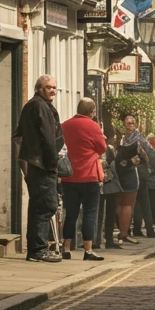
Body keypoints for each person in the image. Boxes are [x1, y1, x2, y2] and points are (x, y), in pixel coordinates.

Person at [13, 75, 65, 263]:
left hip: (35, 162)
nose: (52, 90)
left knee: (38, 206)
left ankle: (35, 250)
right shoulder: (40, 106)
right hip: (42, 164)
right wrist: (52, 162)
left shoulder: (34, 105)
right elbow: (47, 136)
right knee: (46, 205)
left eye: (54, 88)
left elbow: (18, 135)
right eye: (48, 87)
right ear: (39, 88)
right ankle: (39, 249)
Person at [60, 98, 108, 261]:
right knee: (89, 214)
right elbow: (102, 147)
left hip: (69, 176)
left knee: (71, 214)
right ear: (92, 111)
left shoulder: (65, 125)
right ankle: (88, 251)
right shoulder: (93, 126)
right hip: (89, 177)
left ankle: (66, 248)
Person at [125, 114, 155, 239]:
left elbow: (149, 155)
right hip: (129, 174)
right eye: (128, 123)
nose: (130, 125)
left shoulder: (138, 139)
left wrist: (149, 168)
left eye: (132, 123)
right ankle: (136, 230)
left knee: (144, 203)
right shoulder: (124, 138)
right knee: (134, 204)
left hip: (139, 174)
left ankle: (149, 230)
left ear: (136, 125)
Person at [113, 122, 141, 244]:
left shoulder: (117, 140)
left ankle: (122, 232)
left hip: (117, 173)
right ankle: (123, 234)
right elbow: (141, 158)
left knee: (119, 204)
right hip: (128, 174)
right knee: (128, 204)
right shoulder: (135, 141)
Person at [95, 122, 122, 250]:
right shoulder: (102, 146)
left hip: (107, 183)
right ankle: (98, 240)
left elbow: (112, 162)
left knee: (108, 212)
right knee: (99, 212)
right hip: (99, 181)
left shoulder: (107, 147)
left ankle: (106, 239)